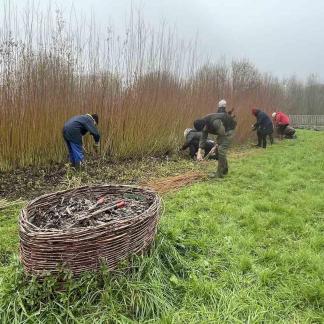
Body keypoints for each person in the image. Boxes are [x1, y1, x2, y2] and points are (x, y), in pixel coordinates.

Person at [194, 112, 237, 178]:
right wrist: (199, 152)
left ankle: (219, 174)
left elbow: (222, 134)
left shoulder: (215, 122)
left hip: (229, 129)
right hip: (223, 131)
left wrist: (216, 145)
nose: (203, 130)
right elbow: (203, 137)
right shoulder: (202, 123)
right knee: (218, 151)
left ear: (205, 125)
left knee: (221, 150)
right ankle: (224, 170)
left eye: (203, 129)